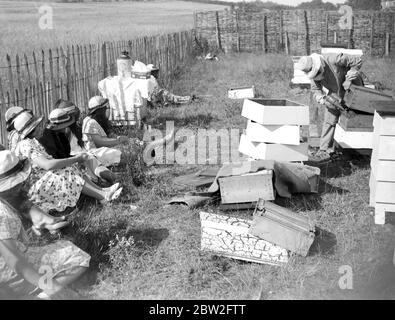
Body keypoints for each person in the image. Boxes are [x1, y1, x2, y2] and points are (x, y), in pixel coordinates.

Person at [0, 150, 90, 299]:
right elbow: (13, 260)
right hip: (9, 274)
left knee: (65, 247)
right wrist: (51, 286)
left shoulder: (6, 203)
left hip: (10, 266)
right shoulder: (3, 214)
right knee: (78, 258)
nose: (22, 185)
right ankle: (44, 295)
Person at [13, 110, 123, 213]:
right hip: (35, 186)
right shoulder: (26, 145)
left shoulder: (32, 142)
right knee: (67, 171)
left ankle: (103, 191)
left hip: (43, 178)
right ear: (32, 128)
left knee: (71, 167)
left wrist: (74, 160)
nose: (40, 127)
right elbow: (47, 165)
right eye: (37, 126)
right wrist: (75, 159)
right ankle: (103, 196)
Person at [295, 52, 364, 162]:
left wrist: (352, 72)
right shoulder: (313, 74)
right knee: (329, 120)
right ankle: (324, 150)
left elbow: (357, 60)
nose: (317, 75)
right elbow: (316, 89)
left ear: (320, 65)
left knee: (360, 119)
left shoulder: (334, 59)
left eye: (317, 72)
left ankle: (360, 149)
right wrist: (320, 98)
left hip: (354, 89)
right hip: (336, 95)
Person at [39, 100, 116, 185]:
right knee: (89, 160)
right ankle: (98, 182)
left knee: (92, 159)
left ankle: (109, 178)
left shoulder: (71, 129)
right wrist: (76, 158)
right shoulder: (57, 134)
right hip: (66, 162)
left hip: (77, 156)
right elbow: (59, 155)